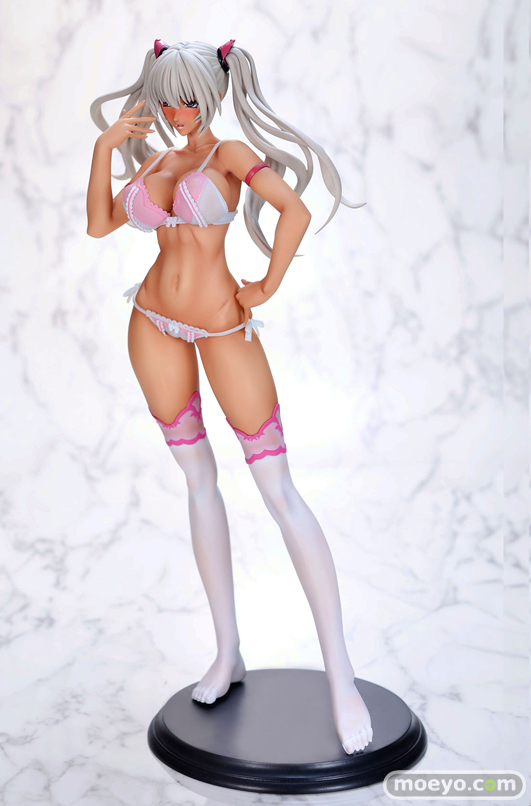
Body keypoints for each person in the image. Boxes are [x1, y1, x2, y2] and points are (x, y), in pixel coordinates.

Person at [87, 38, 372, 754]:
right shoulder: (154, 160)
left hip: (222, 326)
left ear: (213, 94)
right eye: (166, 98)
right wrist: (103, 149)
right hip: (151, 322)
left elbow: (292, 211)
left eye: (188, 98)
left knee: (279, 490)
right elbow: (99, 224)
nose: (176, 111)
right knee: (197, 480)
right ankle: (226, 653)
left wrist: (267, 285)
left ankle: (341, 677)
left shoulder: (230, 153)